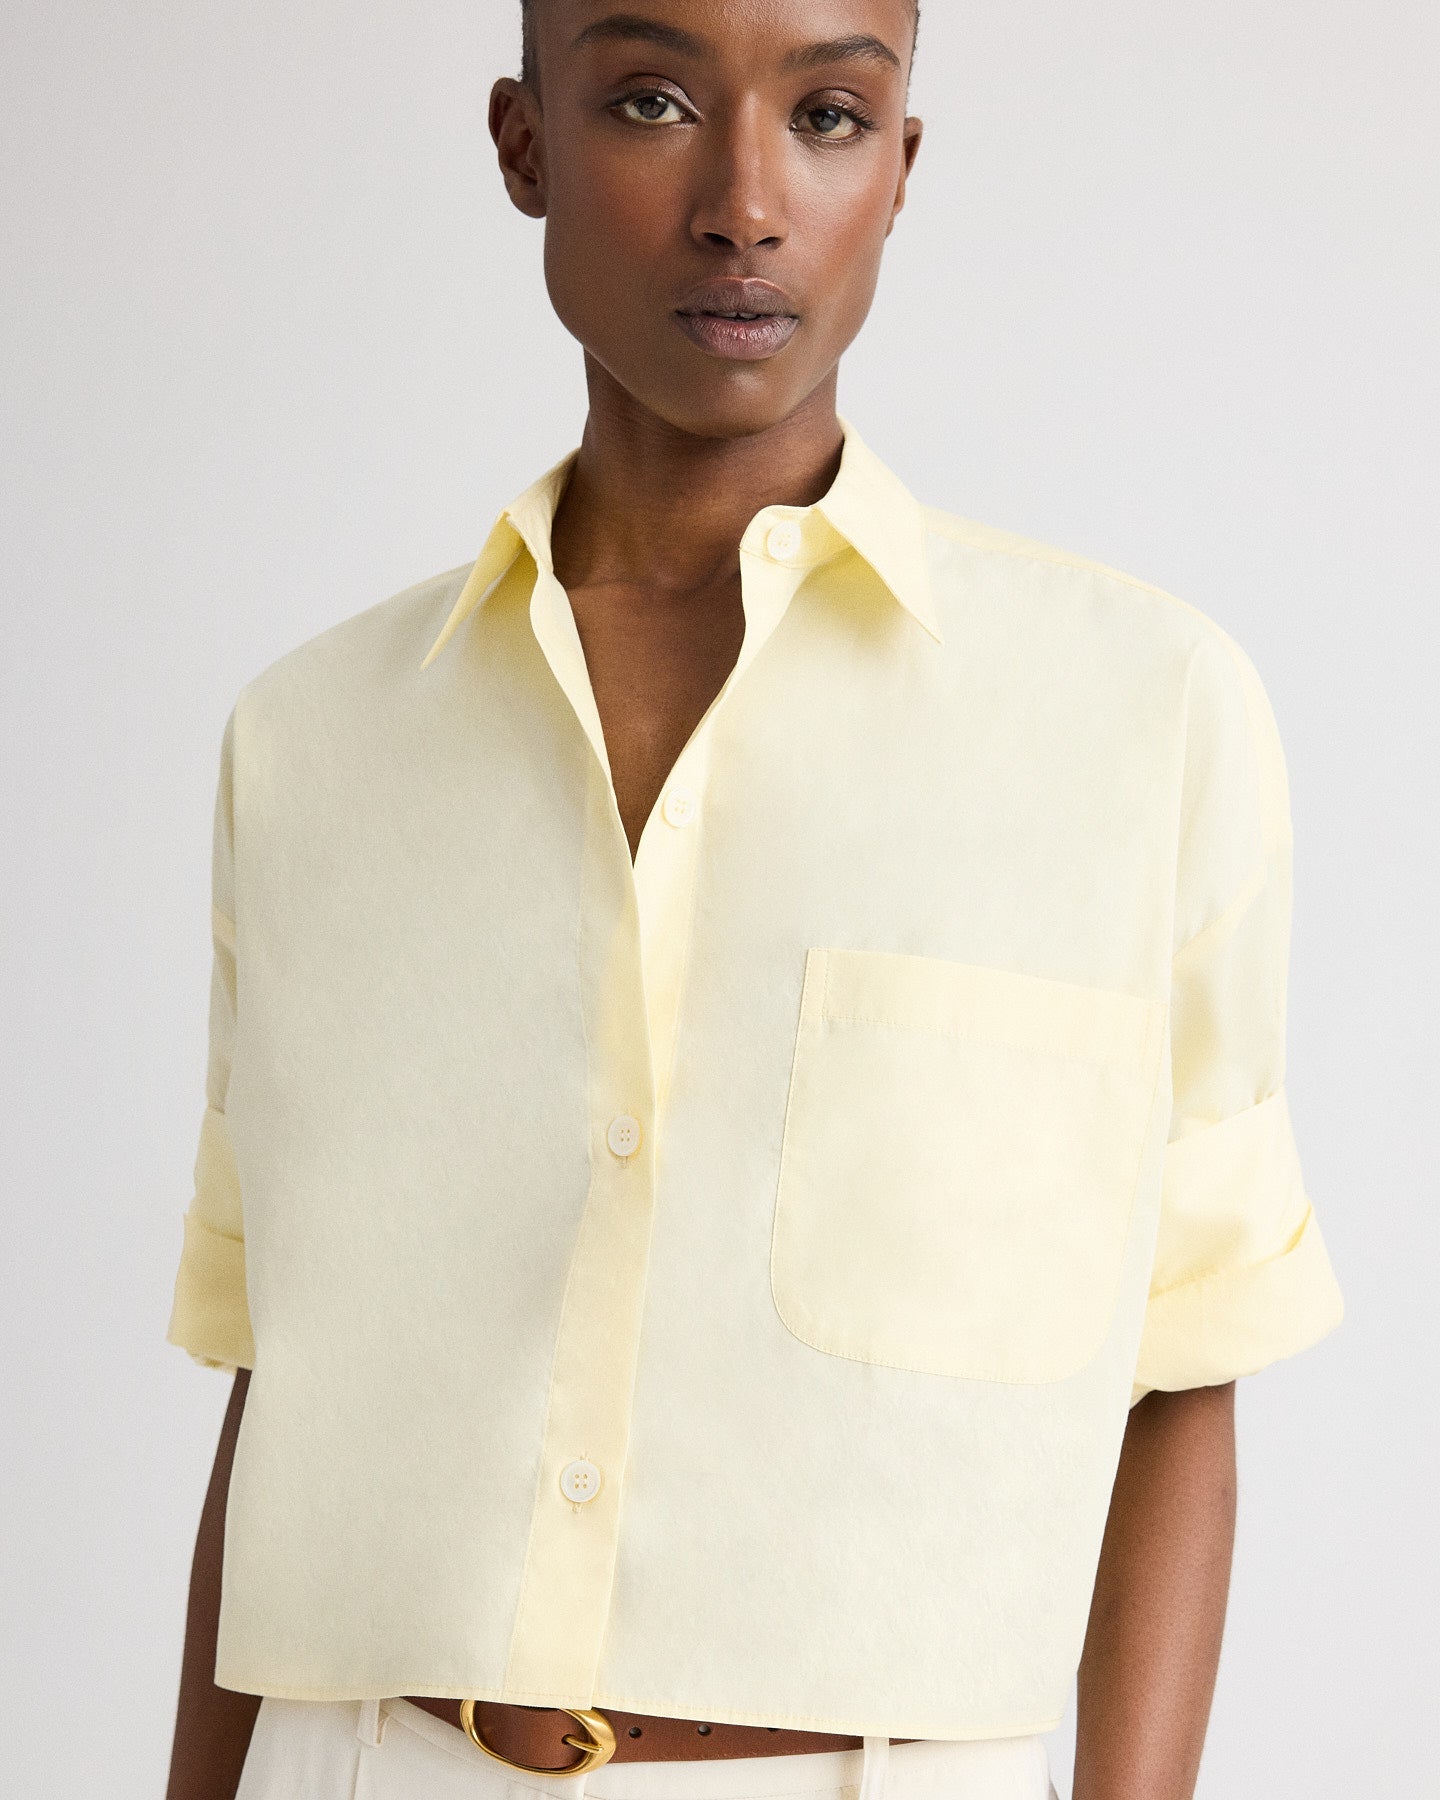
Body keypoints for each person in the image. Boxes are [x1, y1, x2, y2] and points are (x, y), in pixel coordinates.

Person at [163, 3, 1345, 1798]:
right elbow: (281, 1384)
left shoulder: (1144, 717)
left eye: (830, 115)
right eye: (651, 101)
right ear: (525, 145)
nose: (746, 202)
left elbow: (1185, 1366)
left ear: (903, 167)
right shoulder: (315, 742)